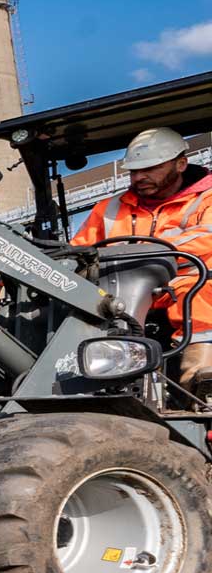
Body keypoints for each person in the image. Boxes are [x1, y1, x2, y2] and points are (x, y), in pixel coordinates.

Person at [72, 127, 212, 399]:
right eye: (134, 171)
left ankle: (199, 379)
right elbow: (79, 250)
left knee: (200, 296)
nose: (139, 177)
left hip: (183, 284)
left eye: (150, 169)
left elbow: (207, 237)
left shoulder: (206, 199)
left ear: (181, 164)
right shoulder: (109, 208)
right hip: (116, 291)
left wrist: (150, 252)